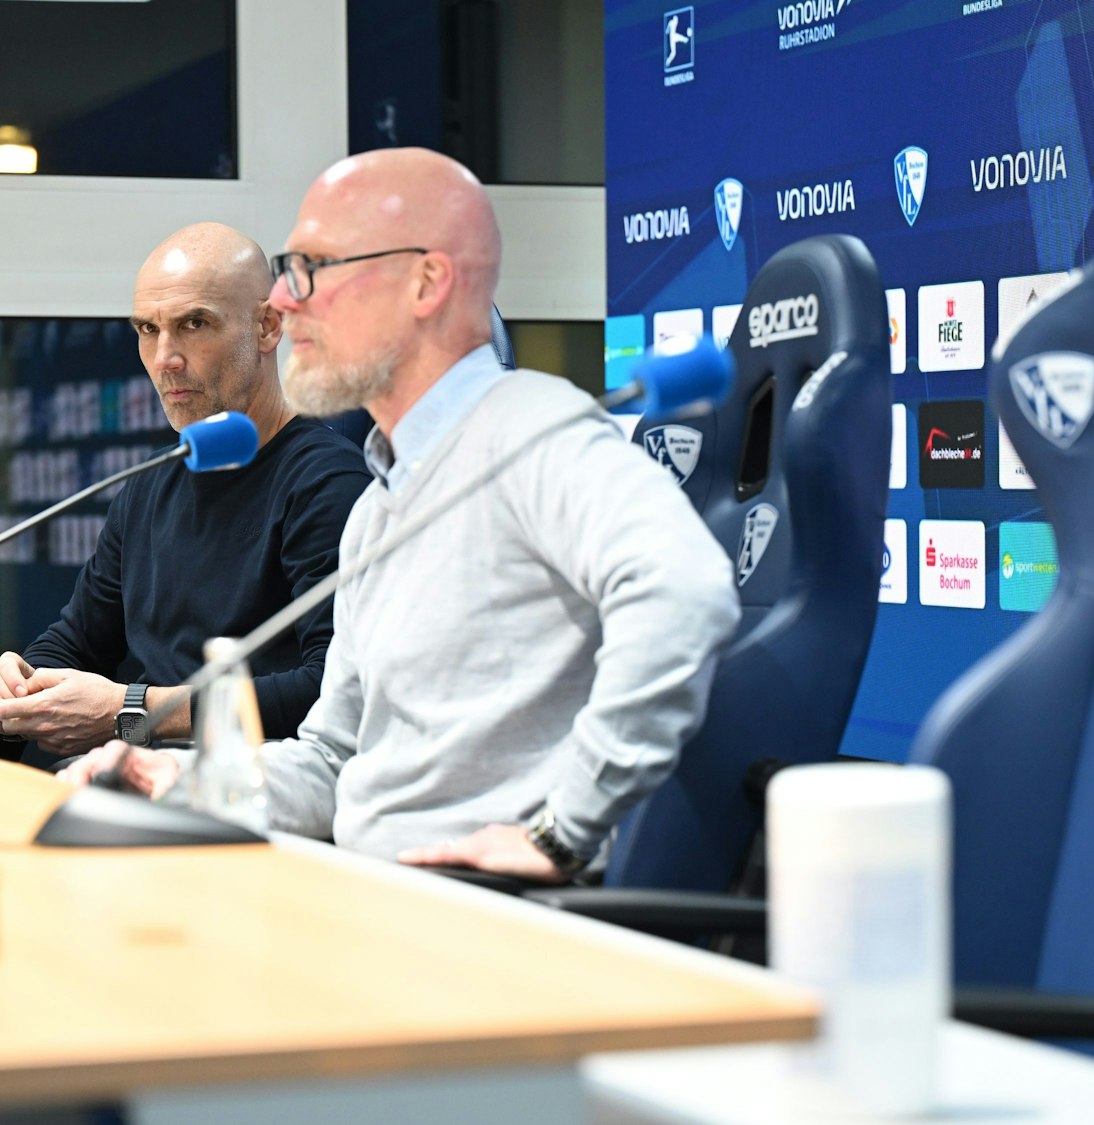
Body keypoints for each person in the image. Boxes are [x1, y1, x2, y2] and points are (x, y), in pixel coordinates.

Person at [61, 150, 740, 883]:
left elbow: (685, 590)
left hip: (477, 913)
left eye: (314, 268)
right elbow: (331, 758)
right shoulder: (385, 496)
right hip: (371, 890)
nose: (286, 304)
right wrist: (182, 780)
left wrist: (562, 831)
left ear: (426, 282)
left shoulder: (532, 432)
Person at [0, 223, 371, 759]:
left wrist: (134, 713)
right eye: (147, 330)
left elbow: (334, 690)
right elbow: (78, 642)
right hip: (138, 787)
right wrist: (16, 687)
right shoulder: (148, 487)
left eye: (194, 324)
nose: (165, 359)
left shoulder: (327, 483)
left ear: (269, 327)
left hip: (256, 799)